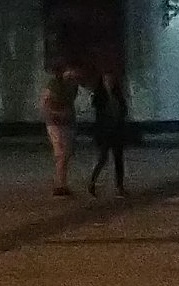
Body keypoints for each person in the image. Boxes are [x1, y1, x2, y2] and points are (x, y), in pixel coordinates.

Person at [85, 74, 136, 196]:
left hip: (116, 130)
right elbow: (98, 111)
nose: (110, 82)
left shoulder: (117, 94)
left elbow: (123, 109)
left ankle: (119, 186)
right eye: (108, 79)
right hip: (105, 131)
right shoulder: (100, 95)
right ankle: (92, 181)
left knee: (118, 159)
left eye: (112, 79)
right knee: (102, 158)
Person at [39, 63, 80, 197]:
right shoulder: (54, 85)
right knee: (61, 153)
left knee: (65, 154)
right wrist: (56, 114)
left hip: (66, 122)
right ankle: (60, 184)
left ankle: (61, 183)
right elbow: (45, 103)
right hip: (55, 123)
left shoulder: (73, 86)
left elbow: (70, 103)